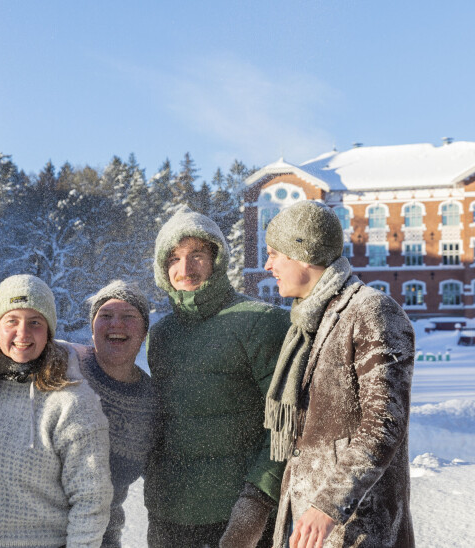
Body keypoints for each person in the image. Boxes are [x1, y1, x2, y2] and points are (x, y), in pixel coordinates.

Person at [0, 279, 157, 548]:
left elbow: (98, 495)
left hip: (92, 534)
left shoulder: (151, 401)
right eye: (105, 316)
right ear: (92, 329)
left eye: (128, 317)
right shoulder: (69, 360)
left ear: (144, 331)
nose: (116, 324)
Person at [262, 201, 415, 548]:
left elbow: (384, 424)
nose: (268, 264)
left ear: (303, 254)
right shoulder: (307, 322)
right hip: (307, 524)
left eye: (275, 253)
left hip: (356, 527)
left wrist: (329, 506)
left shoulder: (372, 311)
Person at [146, 209, 290, 548]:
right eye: (175, 258)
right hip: (167, 516)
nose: (185, 269)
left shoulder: (259, 322)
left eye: (197, 255)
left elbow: (287, 425)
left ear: (216, 259)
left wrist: (257, 501)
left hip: (236, 517)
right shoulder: (161, 335)